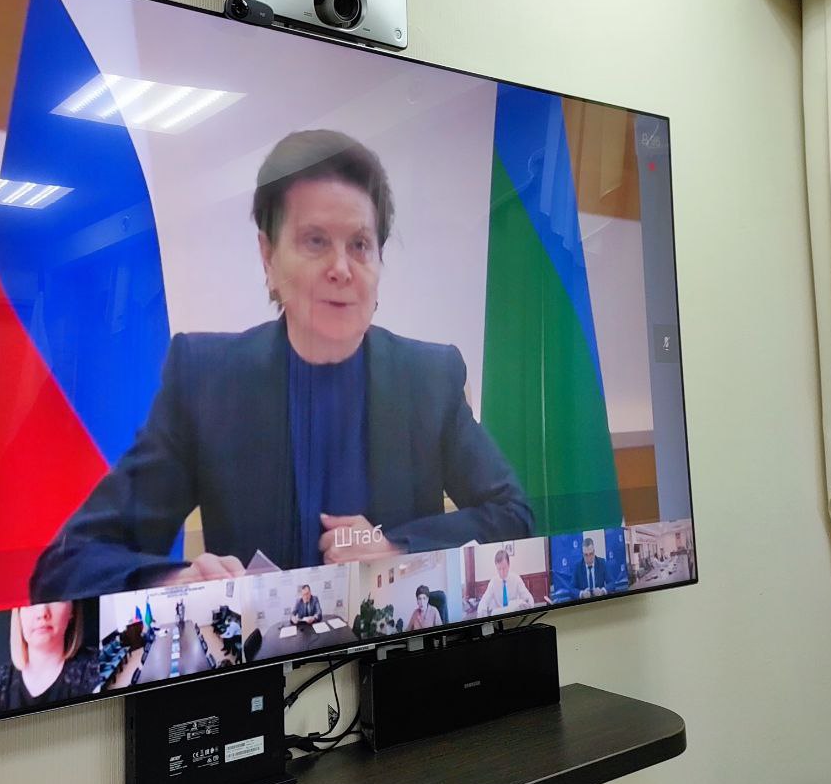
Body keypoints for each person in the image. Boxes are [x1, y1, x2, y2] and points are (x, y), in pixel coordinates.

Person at [32, 130, 535, 602]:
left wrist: (397, 549)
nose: (341, 268)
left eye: (360, 245)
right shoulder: (206, 380)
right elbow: (67, 566)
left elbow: (513, 516)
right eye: (316, 241)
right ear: (268, 256)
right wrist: (178, 582)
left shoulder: (429, 377)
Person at [0, 601, 100, 719]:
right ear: (19, 615)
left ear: (72, 610)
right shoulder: (2, 681)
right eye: (30, 601)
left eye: (54, 597)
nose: (42, 613)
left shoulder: (95, 668)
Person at [477, 547, 535, 617]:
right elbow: (485, 600)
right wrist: (482, 611)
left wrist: (528, 605)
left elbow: (528, 597)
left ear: (509, 565)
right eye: (499, 569)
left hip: (514, 615)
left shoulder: (516, 578)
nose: (502, 572)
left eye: (504, 568)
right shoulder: (493, 582)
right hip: (499, 616)